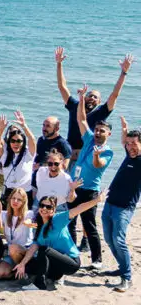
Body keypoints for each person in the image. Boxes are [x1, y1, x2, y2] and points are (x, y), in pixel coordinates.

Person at [16, 192, 105, 291]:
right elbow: (34, 247)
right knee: (30, 264)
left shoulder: (58, 219)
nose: (44, 208)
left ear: (53, 210)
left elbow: (78, 208)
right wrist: (22, 263)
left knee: (44, 249)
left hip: (71, 263)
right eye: (42, 205)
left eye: (48, 207)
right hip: (56, 265)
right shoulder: (39, 225)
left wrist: (96, 200)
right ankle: (52, 277)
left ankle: (39, 284)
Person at [55, 47, 131, 163]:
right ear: (84, 97)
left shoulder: (101, 113)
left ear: (99, 102)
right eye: (90, 95)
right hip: (67, 157)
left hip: (86, 157)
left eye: (96, 97)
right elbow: (62, 87)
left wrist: (123, 73)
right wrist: (59, 64)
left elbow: (114, 95)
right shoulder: (75, 106)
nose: (92, 98)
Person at [68, 85, 114, 270]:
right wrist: (80, 100)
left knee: (89, 225)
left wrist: (96, 157)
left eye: (102, 131)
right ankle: (71, 254)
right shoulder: (88, 139)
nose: (98, 132)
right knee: (70, 220)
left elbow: (98, 165)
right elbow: (81, 119)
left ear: (108, 134)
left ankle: (97, 261)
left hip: (90, 191)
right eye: (97, 129)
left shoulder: (107, 151)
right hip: (75, 187)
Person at [101, 119, 141, 293]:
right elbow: (125, 141)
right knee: (109, 240)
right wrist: (124, 131)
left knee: (119, 240)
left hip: (124, 208)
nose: (130, 146)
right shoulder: (128, 155)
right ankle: (121, 266)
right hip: (109, 204)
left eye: (134, 143)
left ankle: (127, 278)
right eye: (128, 143)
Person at [0, 112, 37, 207]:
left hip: (25, 194)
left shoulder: (28, 154)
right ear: (9, 142)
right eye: (13, 141)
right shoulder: (5, 155)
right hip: (9, 193)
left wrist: (24, 126)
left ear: (23, 142)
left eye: (19, 141)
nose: (16, 143)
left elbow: (32, 140)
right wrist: (1, 130)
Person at [0, 188, 35, 280]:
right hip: (11, 253)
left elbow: (30, 220)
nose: (15, 201)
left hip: (25, 251)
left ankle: (26, 270)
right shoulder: (4, 214)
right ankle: (17, 272)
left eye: (19, 199)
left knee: (13, 248)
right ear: (9, 199)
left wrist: (28, 222)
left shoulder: (29, 214)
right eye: (13, 198)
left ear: (23, 202)